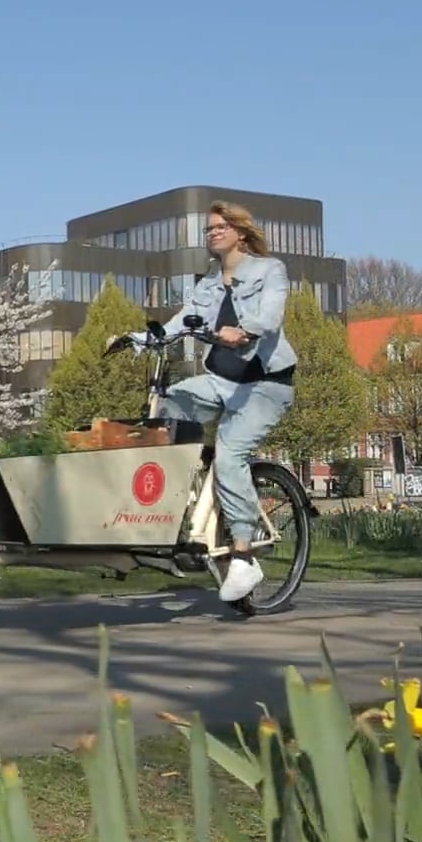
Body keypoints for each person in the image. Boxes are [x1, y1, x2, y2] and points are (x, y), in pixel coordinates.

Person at [109, 200, 296, 602]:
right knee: (171, 404)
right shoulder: (207, 284)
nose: (212, 233)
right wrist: (136, 339)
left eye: (220, 226)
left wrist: (244, 330)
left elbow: (271, 316)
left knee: (231, 452)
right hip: (222, 380)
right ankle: (186, 502)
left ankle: (244, 557)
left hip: (265, 384)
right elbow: (180, 323)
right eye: (208, 228)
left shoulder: (269, 271)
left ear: (241, 232)